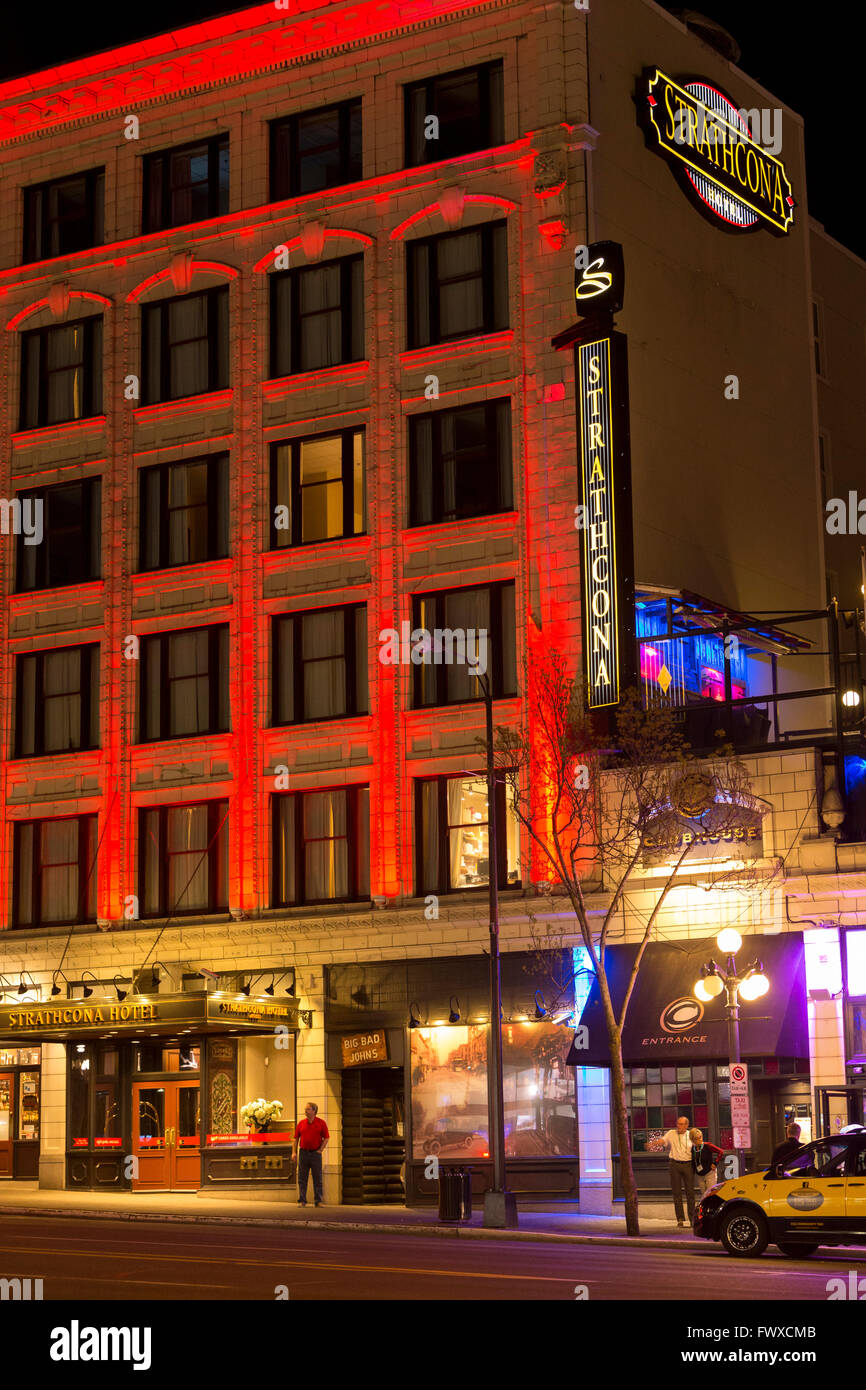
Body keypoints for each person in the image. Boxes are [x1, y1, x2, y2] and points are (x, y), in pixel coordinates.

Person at [648, 1116, 695, 1227]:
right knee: (677, 1193)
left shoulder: (691, 1135)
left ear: (686, 1125)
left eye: (681, 1124)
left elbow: (699, 1146)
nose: (679, 1126)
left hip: (688, 1164)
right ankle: (680, 1218)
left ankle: (692, 1218)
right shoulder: (671, 1133)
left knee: (690, 1193)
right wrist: (652, 1144)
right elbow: (662, 1141)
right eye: (678, 1123)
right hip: (675, 1165)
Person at [294, 1101, 329, 1207]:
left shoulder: (321, 1123)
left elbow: (326, 1137)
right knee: (302, 1178)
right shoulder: (301, 1123)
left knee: (317, 1178)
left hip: (315, 1154)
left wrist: (320, 1150)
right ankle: (302, 1200)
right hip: (304, 1153)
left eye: (308, 1109)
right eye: (306, 1109)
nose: (306, 1111)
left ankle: (318, 1201)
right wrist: (294, 1152)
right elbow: (296, 1139)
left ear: (314, 1111)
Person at [689, 1127, 724, 1194]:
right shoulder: (693, 1149)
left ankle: (713, 1204)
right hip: (699, 1175)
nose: (700, 1139)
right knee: (704, 1194)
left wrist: (715, 1163)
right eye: (697, 1138)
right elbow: (693, 1162)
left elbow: (721, 1152)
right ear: (693, 1140)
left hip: (709, 1173)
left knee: (710, 1193)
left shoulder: (707, 1145)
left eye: (700, 1137)